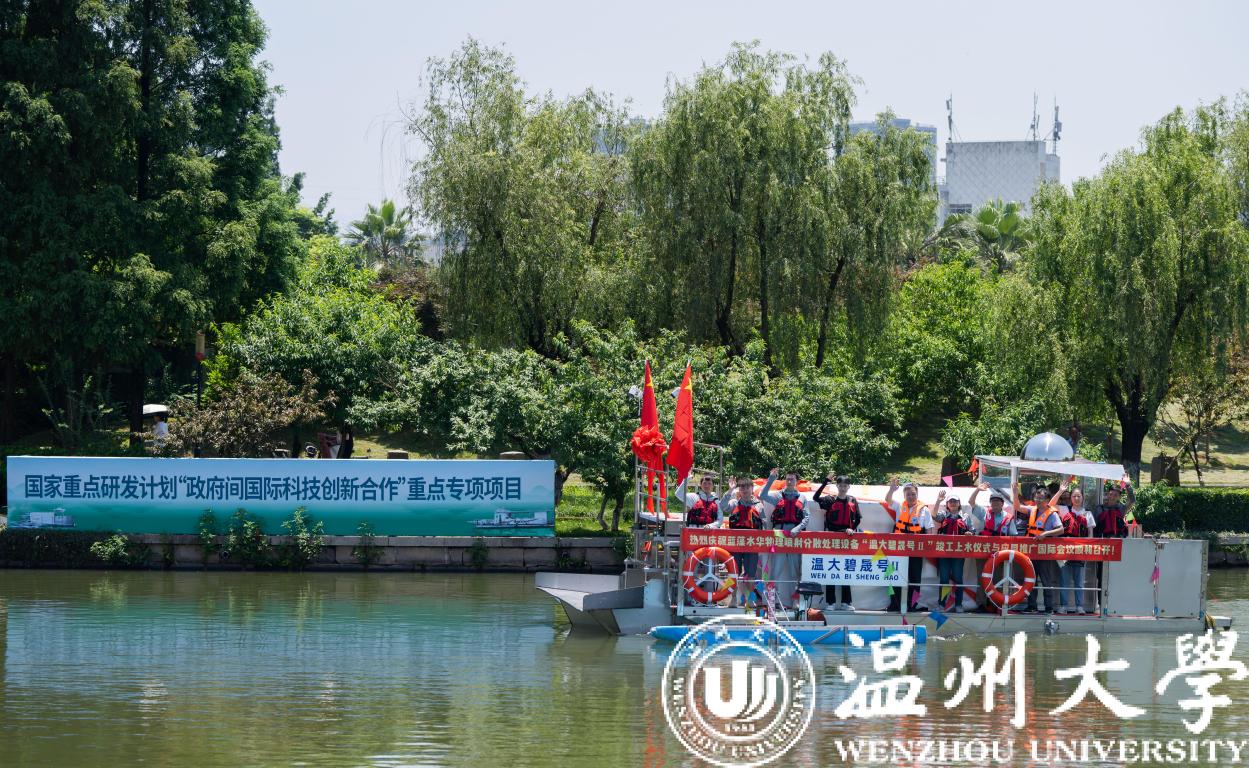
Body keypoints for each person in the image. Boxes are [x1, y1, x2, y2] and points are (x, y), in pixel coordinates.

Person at [811, 473, 861, 610]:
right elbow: (815, 498)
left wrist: (851, 529)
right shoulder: (830, 500)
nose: (843, 488)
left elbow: (858, 518)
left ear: (849, 487)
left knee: (845, 569)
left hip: (847, 538)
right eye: (840, 485)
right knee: (831, 569)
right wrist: (825, 482)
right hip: (831, 538)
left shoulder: (853, 500)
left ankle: (846, 602)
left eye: (845, 486)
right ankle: (830, 602)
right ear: (837, 486)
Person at [884, 477, 934, 612]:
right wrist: (891, 490)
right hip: (899, 548)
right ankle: (894, 603)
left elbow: (929, 530)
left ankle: (913, 604)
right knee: (894, 575)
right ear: (904, 495)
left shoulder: (924, 510)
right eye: (908, 494)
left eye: (913, 494)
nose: (911, 497)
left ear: (917, 494)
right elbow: (888, 500)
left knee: (915, 578)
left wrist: (927, 548)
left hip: (916, 548)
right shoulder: (899, 506)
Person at [759, 468, 808, 605]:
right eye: (787, 479)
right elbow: (763, 495)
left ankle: (796, 602)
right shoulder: (778, 496)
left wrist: (797, 528)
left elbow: (806, 517)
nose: (789, 481)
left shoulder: (802, 498)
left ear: (797, 481)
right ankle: (772, 600)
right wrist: (771, 479)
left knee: (795, 571)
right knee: (776, 570)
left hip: (795, 537)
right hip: (780, 535)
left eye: (792, 479)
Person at [1047, 479, 1095, 615]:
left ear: (1083, 498)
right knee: (1064, 579)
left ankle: (1080, 606)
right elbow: (1050, 505)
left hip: (1080, 551)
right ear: (1070, 498)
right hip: (1065, 551)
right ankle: (1063, 606)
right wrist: (1061, 491)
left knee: (1079, 581)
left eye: (1079, 496)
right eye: (1074, 496)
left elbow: (1090, 535)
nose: (1076, 498)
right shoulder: (1064, 510)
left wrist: (1087, 551)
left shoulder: (1088, 514)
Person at [718, 477, 766, 607]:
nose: (744, 490)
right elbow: (722, 506)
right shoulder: (734, 503)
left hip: (752, 545)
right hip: (736, 545)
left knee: (751, 574)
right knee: (734, 573)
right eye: (742, 487)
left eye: (747, 487)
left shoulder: (759, 505)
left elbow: (765, 524)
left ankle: (750, 600)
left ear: (752, 489)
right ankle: (733, 599)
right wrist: (730, 490)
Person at [1091, 475, 1135, 614]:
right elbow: (1093, 526)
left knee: (1116, 575)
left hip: (1117, 545)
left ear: (1118, 497)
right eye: (1111, 494)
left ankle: (1115, 605)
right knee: (1101, 576)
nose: (1112, 496)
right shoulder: (1099, 508)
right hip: (1102, 545)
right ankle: (1101, 604)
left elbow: (1132, 500)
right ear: (1107, 494)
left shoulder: (1121, 509)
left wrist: (1128, 485)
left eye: (1115, 495)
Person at [1023, 484, 1064, 614]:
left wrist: (1046, 534)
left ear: (1047, 500)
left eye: (1041, 498)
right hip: (1031, 551)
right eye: (1036, 497)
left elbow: (1061, 530)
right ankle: (1031, 606)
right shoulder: (1032, 510)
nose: (1038, 500)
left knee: (1046, 580)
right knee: (1031, 578)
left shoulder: (1052, 514)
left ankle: (1048, 607)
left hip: (1044, 551)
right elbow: (1017, 507)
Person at [933, 490, 975, 612]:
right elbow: (934, 516)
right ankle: (942, 604)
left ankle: (958, 604)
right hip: (944, 552)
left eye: (955, 501)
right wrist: (938, 501)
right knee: (944, 579)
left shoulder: (965, 517)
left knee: (958, 579)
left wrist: (969, 533)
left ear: (959, 503)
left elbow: (973, 531)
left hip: (959, 553)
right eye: (950, 501)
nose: (953, 503)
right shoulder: (943, 515)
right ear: (947, 504)